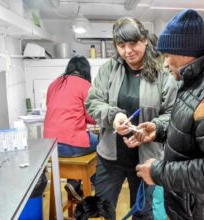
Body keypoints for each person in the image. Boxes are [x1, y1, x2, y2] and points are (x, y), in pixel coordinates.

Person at [129, 9, 204, 219]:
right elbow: (198, 131)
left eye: (168, 56)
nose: (166, 63)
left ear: (185, 53)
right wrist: (160, 130)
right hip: (192, 209)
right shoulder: (198, 82)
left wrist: (159, 172)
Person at [84, 17, 177, 220]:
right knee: (101, 211)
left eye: (133, 43)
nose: (127, 51)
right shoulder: (109, 69)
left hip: (146, 158)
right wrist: (113, 115)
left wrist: (154, 126)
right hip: (110, 158)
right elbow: (93, 102)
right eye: (121, 45)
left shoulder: (162, 73)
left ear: (144, 40)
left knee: (143, 212)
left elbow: (173, 113)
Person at [44, 56, 98, 201]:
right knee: (102, 144)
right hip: (70, 144)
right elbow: (92, 117)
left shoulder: (54, 84)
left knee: (82, 140)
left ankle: (73, 182)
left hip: (50, 147)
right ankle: (92, 184)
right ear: (86, 71)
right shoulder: (84, 85)